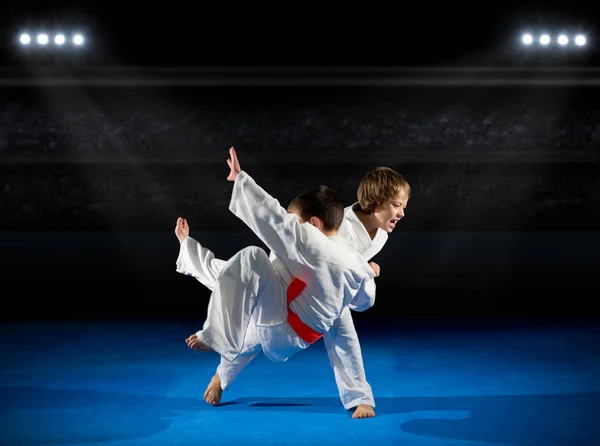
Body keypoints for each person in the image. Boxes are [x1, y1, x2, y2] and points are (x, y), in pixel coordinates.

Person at [177, 157, 410, 419]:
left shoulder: (380, 233)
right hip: (293, 279)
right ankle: (221, 371)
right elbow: (279, 225)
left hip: (332, 295)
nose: (402, 212)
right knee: (245, 307)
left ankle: (359, 397)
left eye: (403, 205)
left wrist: (366, 274)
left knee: (344, 338)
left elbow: (359, 289)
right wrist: (242, 182)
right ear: (376, 203)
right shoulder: (335, 226)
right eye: (396, 205)